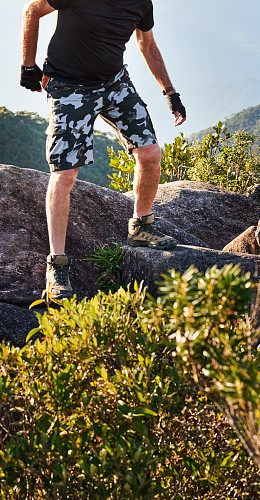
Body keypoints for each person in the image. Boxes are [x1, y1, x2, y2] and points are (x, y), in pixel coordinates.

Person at [20, 0, 187, 300]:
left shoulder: (140, 3)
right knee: (65, 174)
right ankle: (56, 265)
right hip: (68, 85)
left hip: (114, 83)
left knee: (150, 153)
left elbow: (146, 44)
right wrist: (28, 65)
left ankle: (141, 225)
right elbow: (32, 10)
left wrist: (170, 93)